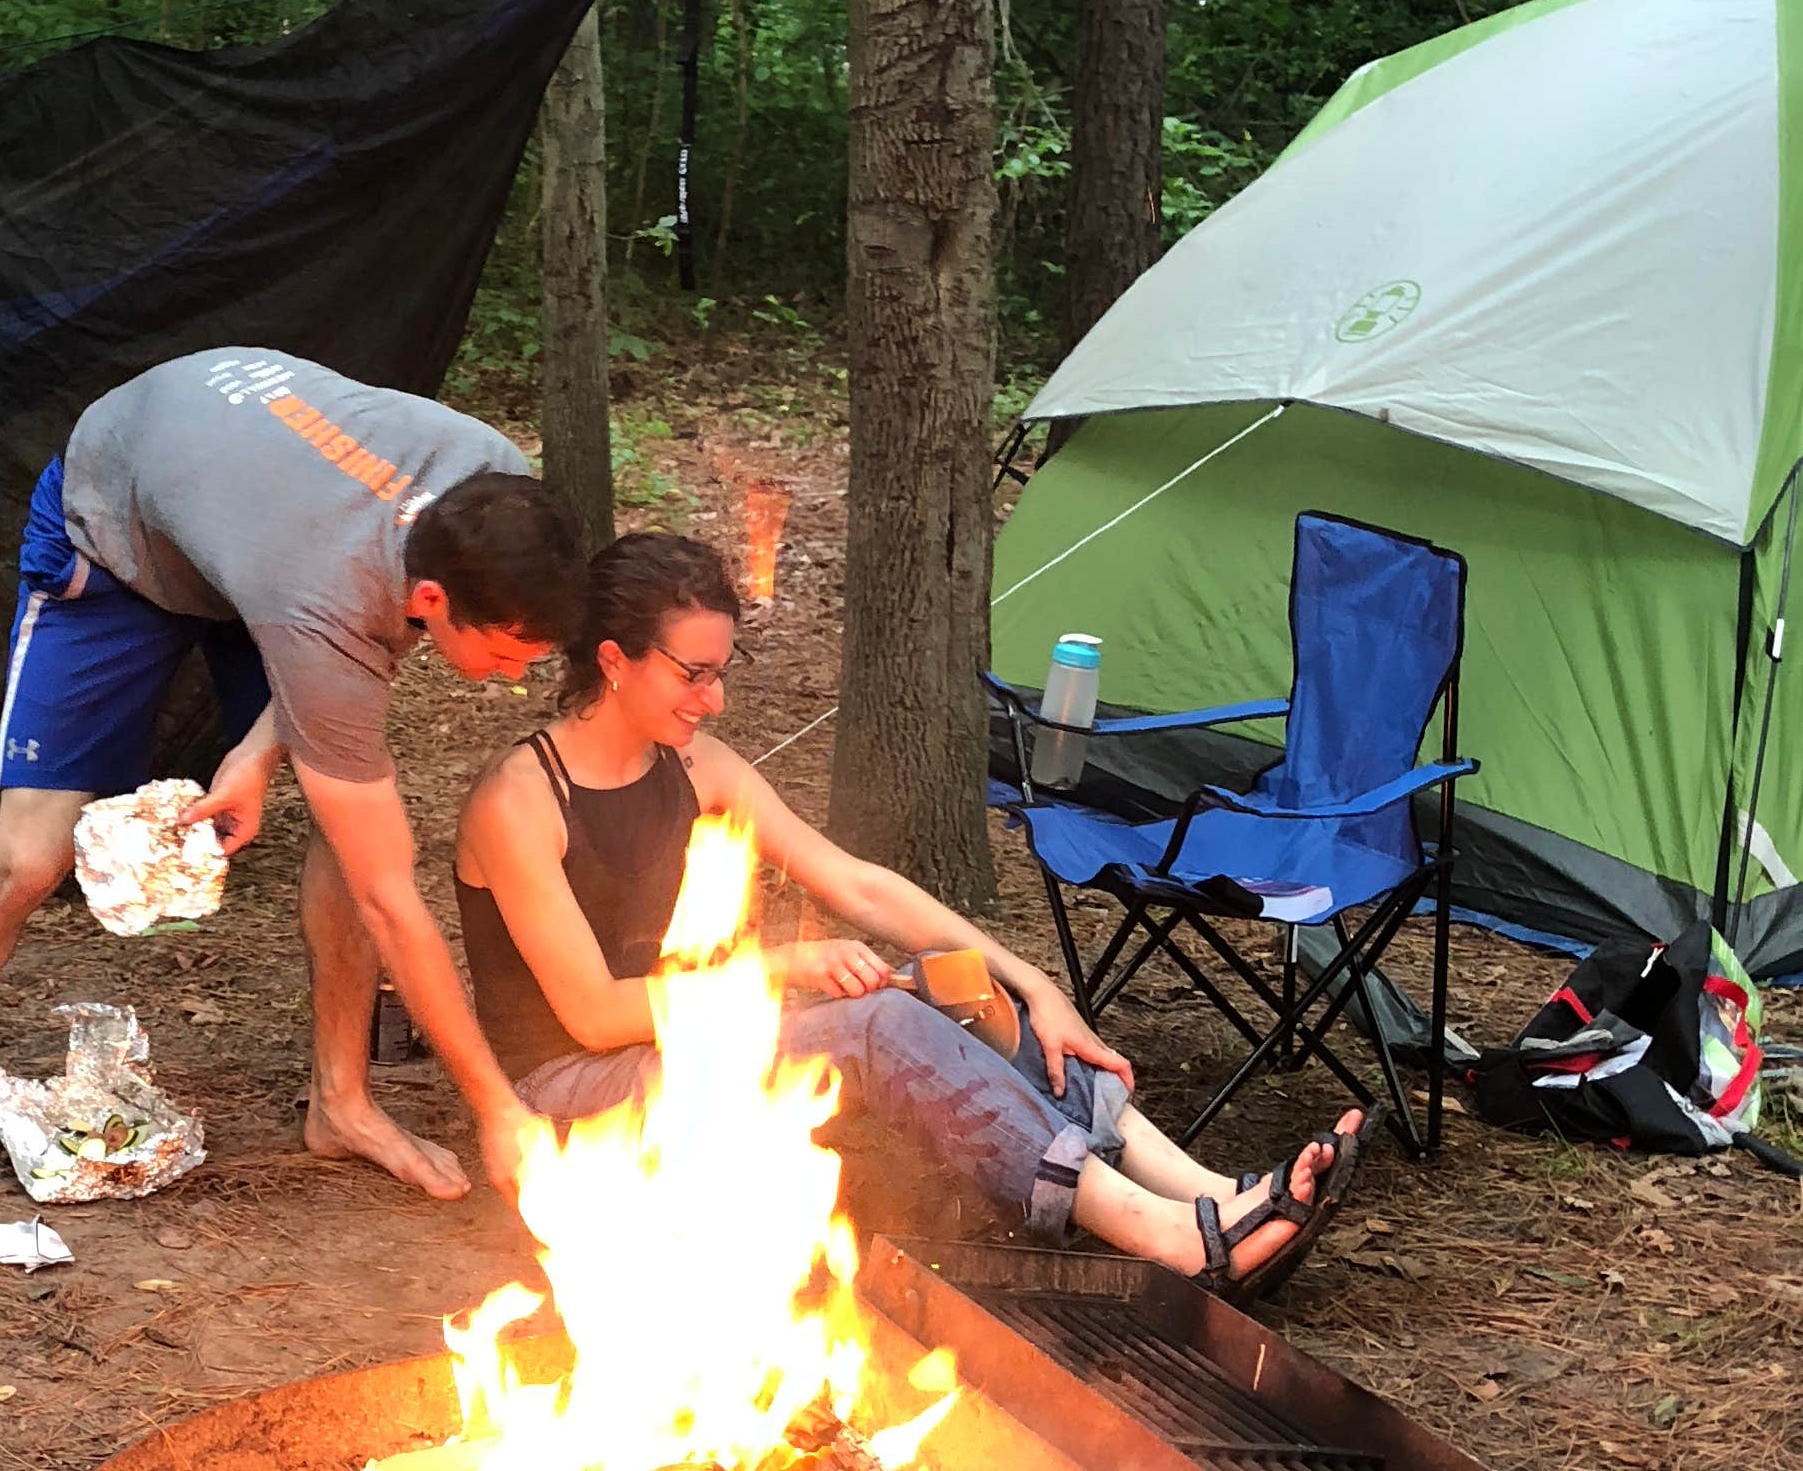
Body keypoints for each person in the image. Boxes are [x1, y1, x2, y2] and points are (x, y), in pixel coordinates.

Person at [453, 532, 1362, 1286]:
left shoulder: (695, 768)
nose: (715, 698)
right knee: (878, 1022)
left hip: (691, 1042)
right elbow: (592, 1013)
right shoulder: (522, 803)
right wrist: (781, 968)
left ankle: (1205, 1192)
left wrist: (1029, 980)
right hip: (571, 1097)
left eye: (722, 672)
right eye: (694, 673)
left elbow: (856, 884)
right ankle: (1165, 1238)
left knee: (946, 983)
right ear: (614, 660)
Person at [0, 347, 588, 1201]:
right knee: (28, 858)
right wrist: (499, 1109)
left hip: (265, 530)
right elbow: (390, 890)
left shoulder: (495, 489)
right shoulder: (324, 591)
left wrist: (258, 751)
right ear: (430, 602)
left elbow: (340, 639)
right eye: (499, 654)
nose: (509, 679)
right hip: (120, 522)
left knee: (347, 838)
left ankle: (341, 1105)